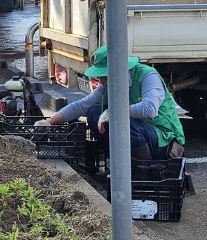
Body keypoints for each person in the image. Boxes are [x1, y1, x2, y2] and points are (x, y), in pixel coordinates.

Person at [46, 44, 186, 161]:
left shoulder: (148, 76)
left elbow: (149, 109)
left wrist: (114, 112)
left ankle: (142, 171)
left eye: (104, 76)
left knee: (125, 123)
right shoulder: (110, 84)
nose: (101, 81)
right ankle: (116, 165)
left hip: (164, 139)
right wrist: (49, 122)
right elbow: (83, 105)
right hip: (141, 131)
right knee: (94, 113)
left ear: (119, 70)